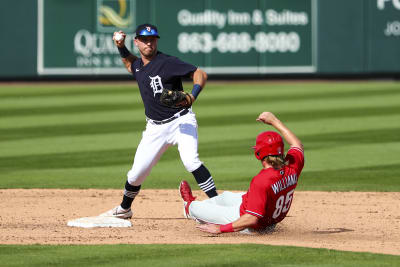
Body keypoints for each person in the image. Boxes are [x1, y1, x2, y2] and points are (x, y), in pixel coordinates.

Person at [101, 23, 218, 219]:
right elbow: (130, 64)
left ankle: (217, 202)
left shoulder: (168, 62)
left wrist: (192, 96)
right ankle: (124, 209)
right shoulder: (138, 66)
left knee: (191, 161)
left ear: (156, 41)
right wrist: (120, 46)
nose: (149, 43)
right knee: (136, 174)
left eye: (152, 40)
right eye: (145, 40)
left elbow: (200, 74)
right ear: (136, 42)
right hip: (154, 128)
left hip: (181, 121)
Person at [179, 111, 304, 234]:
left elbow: (251, 218)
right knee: (225, 197)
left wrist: (220, 229)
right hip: (267, 215)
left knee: (195, 208)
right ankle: (209, 210)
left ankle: (188, 208)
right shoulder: (292, 166)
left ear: (259, 154)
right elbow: (297, 144)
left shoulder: (262, 180)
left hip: (249, 223)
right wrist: (274, 121)